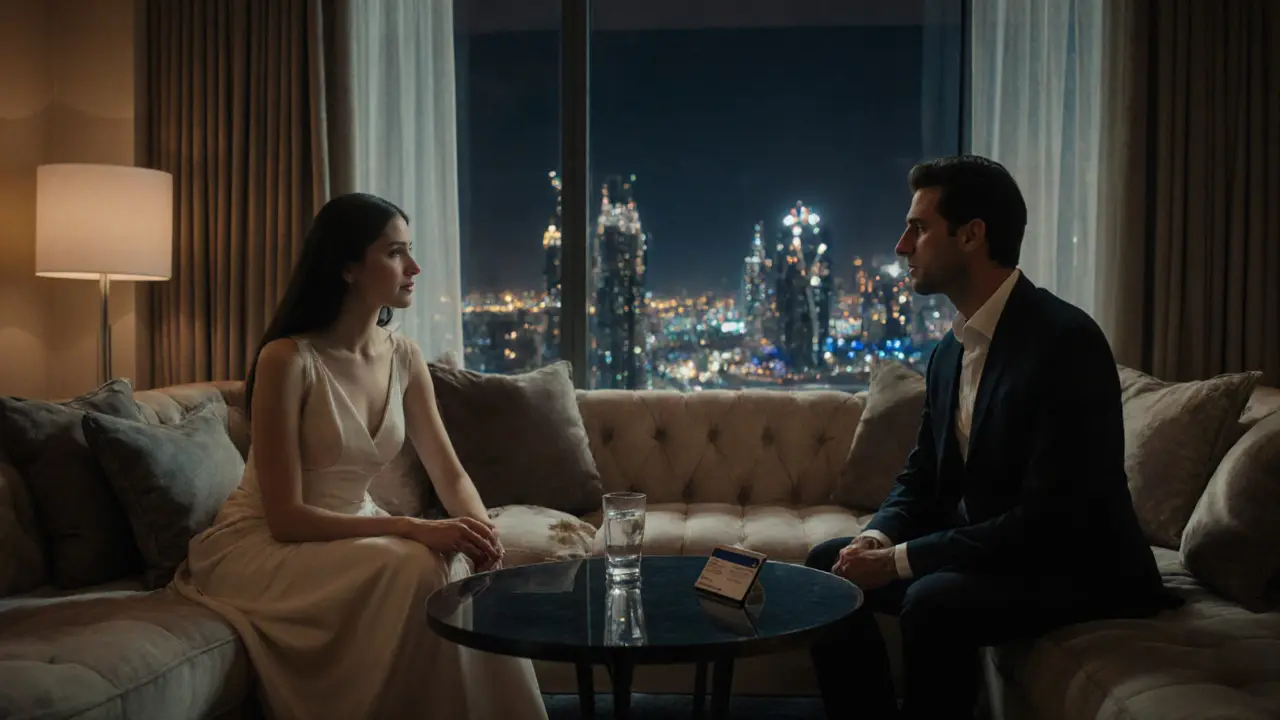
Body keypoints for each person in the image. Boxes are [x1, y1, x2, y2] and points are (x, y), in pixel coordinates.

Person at [806, 156, 1180, 719]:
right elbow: (921, 477)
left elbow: (1051, 519)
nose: (902, 245)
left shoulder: (1064, 342)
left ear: (972, 234)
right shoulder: (948, 352)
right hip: (1000, 552)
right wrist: (878, 539)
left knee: (933, 601)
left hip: (1076, 566)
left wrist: (902, 562)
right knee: (825, 566)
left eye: (919, 227)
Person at [171, 193, 548, 720]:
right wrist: (411, 527)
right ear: (347, 267)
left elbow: (449, 469)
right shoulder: (287, 359)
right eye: (396, 253)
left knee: (457, 562)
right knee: (417, 563)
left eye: (410, 251)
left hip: (357, 529)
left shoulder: (403, 356)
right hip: (265, 543)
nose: (414, 267)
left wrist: (484, 535)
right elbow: (285, 518)